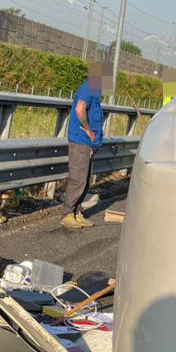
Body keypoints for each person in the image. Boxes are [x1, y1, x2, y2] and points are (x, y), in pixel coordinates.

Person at [62, 62, 111, 229]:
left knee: (84, 180)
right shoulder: (88, 88)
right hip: (80, 141)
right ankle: (68, 214)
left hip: (88, 144)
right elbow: (79, 108)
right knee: (78, 179)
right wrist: (88, 129)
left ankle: (76, 212)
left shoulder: (95, 92)